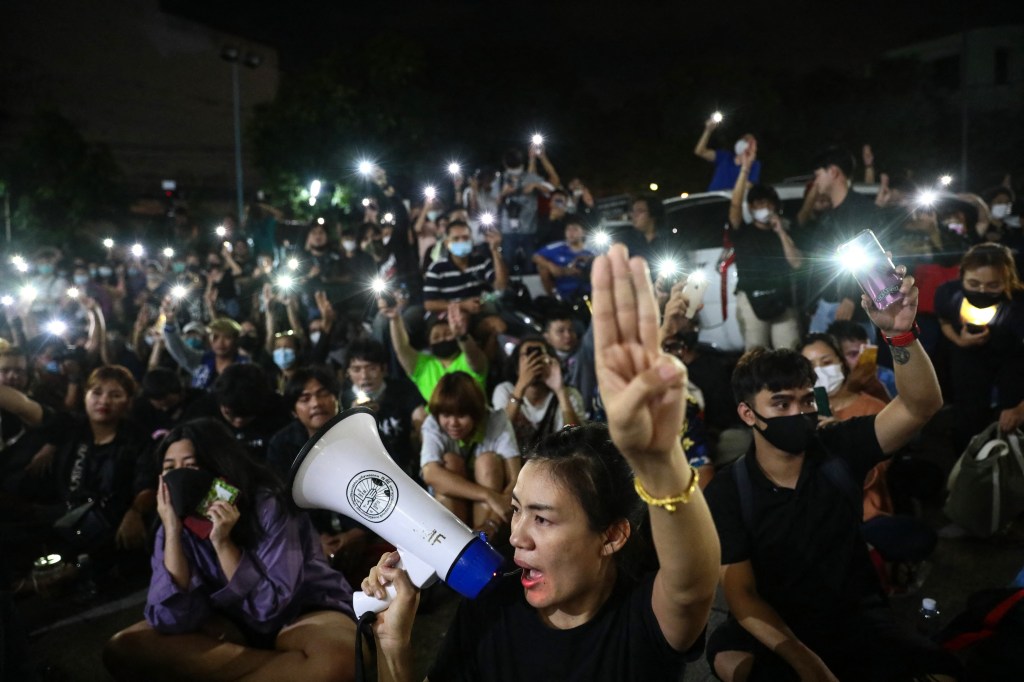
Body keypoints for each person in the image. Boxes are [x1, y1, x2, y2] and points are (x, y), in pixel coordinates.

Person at [364, 243, 719, 681]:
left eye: (543, 519)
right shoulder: (490, 609)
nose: (516, 538)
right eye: (516, 511)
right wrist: (394, 647)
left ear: (611, 535)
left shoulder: (641, 618)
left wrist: (659, 460)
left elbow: (690, 589)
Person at [704, 265, 962, 681]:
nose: (799, 412)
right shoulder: (730, 492)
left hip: (855, 614)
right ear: (748, 414)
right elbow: (743, 595)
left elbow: (919, 406)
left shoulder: (839, 448)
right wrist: (807, 663)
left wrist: (900, 333)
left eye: (807, 401)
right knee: (731, 661)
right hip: (777, 625)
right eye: (782, 404)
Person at [103, 418, 358, 681]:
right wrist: (172, 531)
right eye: (169, 468)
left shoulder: (270, 505)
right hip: (226, 625)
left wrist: (223, 543)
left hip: (302, 613)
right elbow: (171, 620)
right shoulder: (170, 526)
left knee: (338, 662)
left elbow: (271, 608)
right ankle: (285, 669)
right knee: (124, 647)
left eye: (191, 466)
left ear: (219, 465)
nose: (179, 476)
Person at [799, 333, 936, 590]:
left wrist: (846, 442)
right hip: (814, 514)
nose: (820, 371)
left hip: (864, 514)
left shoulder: (871, 407)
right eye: (810, 366)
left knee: (915, 538)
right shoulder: (801, 411)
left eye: (826, 361)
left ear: (841, 362)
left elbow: (876, 472)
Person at [935, 242, 1024, 452]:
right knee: (967, 419)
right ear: (962, 274)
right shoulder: (948, 293)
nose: (982, 291)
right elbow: (944, 321)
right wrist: (958, 340)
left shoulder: (1019, 304)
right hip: (966, 361)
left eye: (993, 286)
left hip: (1013, 364)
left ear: (1008, 279)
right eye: (974, 284)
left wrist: (1021, 409)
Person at [798, 146, 883, 340]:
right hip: (824, 304)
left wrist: (851, 298)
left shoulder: (862, 210)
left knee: (860, 366)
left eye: (818, 174)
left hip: (854, 307)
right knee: (820, 366)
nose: (816, 181)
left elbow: (873, 257)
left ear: (834, 172)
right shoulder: (828, 216)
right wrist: (812, 302)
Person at [419, 371, 521, 530]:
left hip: (493, 514)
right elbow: (430, 473)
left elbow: (516, 479)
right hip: (457, 504)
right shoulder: (432, 424)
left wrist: (492, 523)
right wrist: (488, 495)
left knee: (487, 461)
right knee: (450, 461)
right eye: (446, 415)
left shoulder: (496, 420)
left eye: (461, 415)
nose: (453, 423)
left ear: (476, 413)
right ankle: (455, 543)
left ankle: (483, 540)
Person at [728, 146, 802, 351]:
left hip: (782, 300)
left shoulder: (785, 230)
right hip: (751, 300)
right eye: (757, 204)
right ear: (750, 208)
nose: (762, 208)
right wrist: (745, 169)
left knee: (789, 351)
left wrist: (780, 232)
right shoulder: (742, 231)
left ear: (774, 206)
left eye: (766, 204)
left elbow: (796, 262)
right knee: (755, 353)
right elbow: (734, 207)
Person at [338, 339, 425, 477]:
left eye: (371, 368)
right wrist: (353, 417)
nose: (364, 376)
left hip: (402, 468)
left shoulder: (403, 389)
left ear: (384, 369)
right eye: (356, 369)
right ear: (347, 373)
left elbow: (422, 421)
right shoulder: (340, 399)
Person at [384, 296, 487, 402]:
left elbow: (473, 355)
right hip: (437, 418)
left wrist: (462, 336)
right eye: (436, 337)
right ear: (429, 344)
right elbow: (402, 347)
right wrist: (395, 319)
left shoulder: (468, 359)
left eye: (448, 334)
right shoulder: (423, 366)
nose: (442, 338)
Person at [493, 336, 584, 454]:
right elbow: (498, 435)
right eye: (529, 354)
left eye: (540, 354)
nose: (534, 359)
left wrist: (560, 391)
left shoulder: (569, 394)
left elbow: (576, 440)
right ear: (516, 365)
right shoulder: (504, 391)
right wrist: (520, 387)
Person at [532, 216, 595, 302]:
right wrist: (552, 267)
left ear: (583, 232)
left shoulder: (592, 249)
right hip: (564, 293)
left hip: (589, 293)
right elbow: (535, 256)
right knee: (542, 267)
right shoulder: (558, 247)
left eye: (575, 229)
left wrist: (589, 262)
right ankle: (555, 300)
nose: (571, 233)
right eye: (568, 229)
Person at [693, 115, 761, 191]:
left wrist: (746, 164)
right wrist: (708, 130)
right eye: (745, 140)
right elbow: (699, 151)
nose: (748, 144)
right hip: (713, 198)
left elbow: (749, 185)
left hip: (732, 200)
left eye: (752, 143)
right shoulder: (724, 156)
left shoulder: (754, 164)